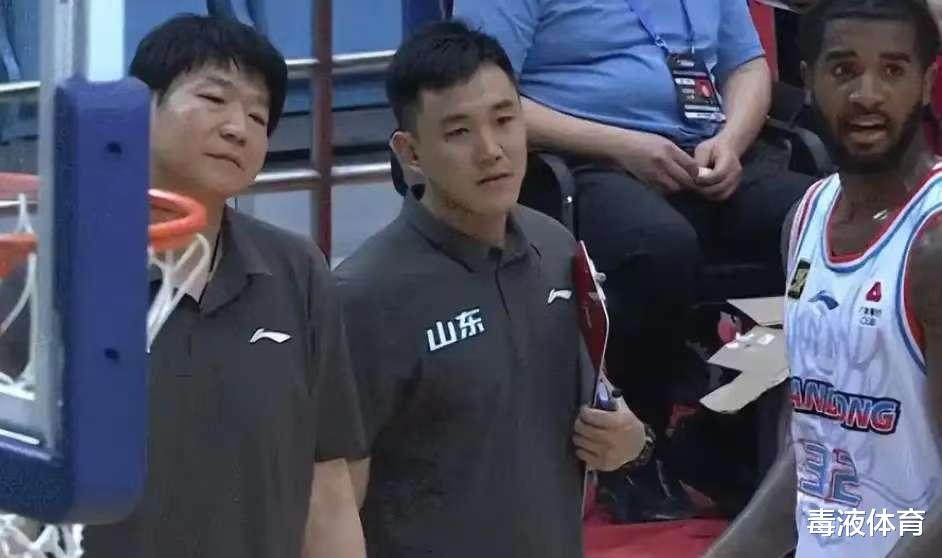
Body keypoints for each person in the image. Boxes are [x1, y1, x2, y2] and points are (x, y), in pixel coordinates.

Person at [455, 0, 817, 518]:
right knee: (656, 247)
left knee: (815, 220)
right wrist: (621, 146)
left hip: (710, 152)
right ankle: (635, 450)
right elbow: (480, 96)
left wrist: (732, 141)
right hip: (586, 161)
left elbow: (746, 65)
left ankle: (726, 432)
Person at [335, 21, 648, 558]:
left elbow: (596, 408)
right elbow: (335, 501)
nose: (491, 150)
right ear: (411, 152)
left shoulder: (556, 246)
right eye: (458, 132)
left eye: (505, 120)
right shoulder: (362, 296)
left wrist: (630, 440)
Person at [73, 15, 367, 558]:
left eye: (258, 116)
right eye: (214, 99)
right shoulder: (52, 270)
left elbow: (329, 485)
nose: (239, 128)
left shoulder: (298, 269)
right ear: (138, 108)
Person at [705, 1, 942, 556]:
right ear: (807, 81)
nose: (867, 95)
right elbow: (809, 449)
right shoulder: (804, 218)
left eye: (892, 70)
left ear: (928, 84)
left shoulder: (933, 248)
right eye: (844, 69)